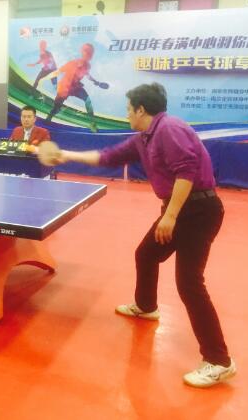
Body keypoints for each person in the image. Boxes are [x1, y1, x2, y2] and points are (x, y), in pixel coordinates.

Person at [54, 83, 235, 388]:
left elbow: (187, 170)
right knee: (147, 254)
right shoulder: (144, 138)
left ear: (141, 110)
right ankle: (147, 306)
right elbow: (108, 157)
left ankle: (219, 361)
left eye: (128, 109)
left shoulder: (169, 129)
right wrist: (64, 154)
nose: (126, 114)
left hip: (197, 211)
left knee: (189, 283)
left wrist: (170, 215)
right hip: (181, 209)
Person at [40, 43, 108, 132]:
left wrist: (96, 82)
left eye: (90, 53)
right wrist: (44, 78)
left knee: (88, 101)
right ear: (83, 52)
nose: (89, 55)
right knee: (56, 108)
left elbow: (87, 74)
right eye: (87, 52)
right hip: (65, 88)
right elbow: (57, 72)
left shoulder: (87, 66)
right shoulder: (72, 63)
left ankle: (92, 123)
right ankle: (48, 119)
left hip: (76, 87)